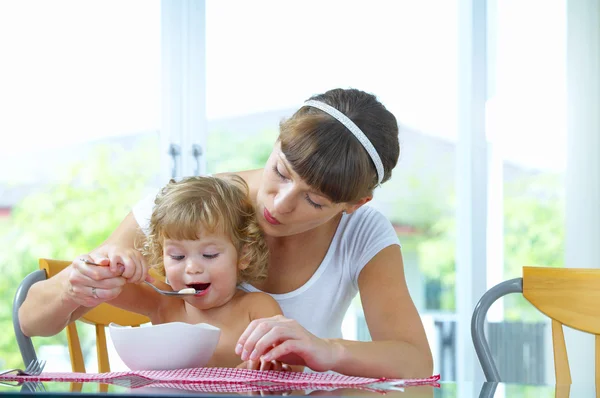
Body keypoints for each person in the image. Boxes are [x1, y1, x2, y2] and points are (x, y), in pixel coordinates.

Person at [19, 88, 433, 378]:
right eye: (280, 172)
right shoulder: (193, 204)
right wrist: (76, 283)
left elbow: (414, 361)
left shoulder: (360, 232)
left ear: (354, 203)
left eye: (316, 201)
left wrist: (327, 349)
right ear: (276, 141)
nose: (280, 203)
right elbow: (34, 319)